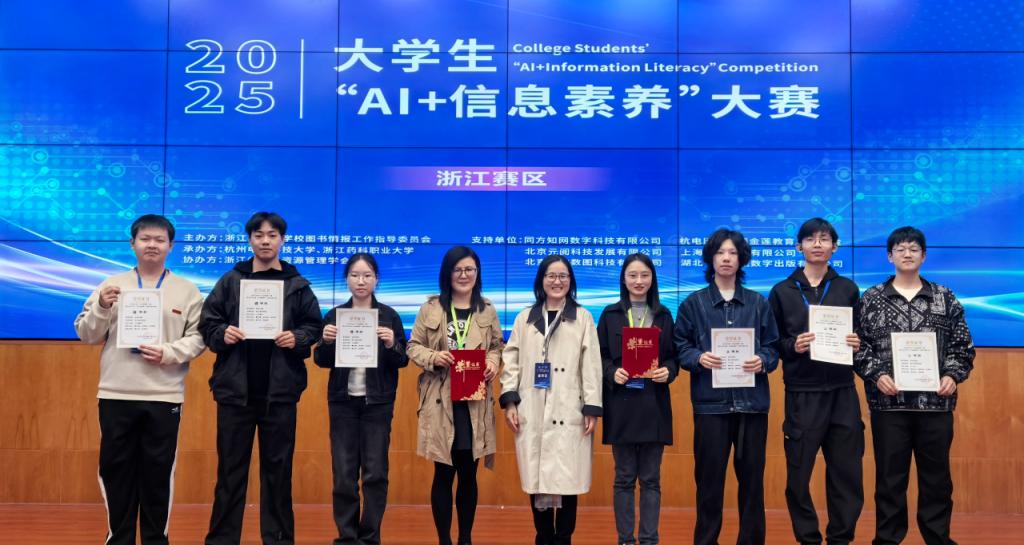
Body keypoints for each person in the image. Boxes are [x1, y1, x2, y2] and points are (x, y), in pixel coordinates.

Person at [74, 214, 205, 545]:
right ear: (132, 243)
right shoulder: (111, 285)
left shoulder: (187, 290)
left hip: (164, 395)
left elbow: (200, 338)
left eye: (160, 240)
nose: (152, 245)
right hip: (116, 393)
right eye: (145, 238)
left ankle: (155, 540)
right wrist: (101, 307)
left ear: (171, 246)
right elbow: (86, 334)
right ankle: (117, 538)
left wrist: (168, 352)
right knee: (115, 471)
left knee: (158, 474)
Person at [199, 211, 323, 545]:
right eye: (258, 235)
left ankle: (279, 539)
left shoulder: (297, 285)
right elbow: (208, 323)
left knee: (278, 474)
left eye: (272, 235)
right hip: (234, 392)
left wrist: (297, 338)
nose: (265, 241)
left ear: (282, 240)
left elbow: (314, 326)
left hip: (279, 395)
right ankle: (222, 541)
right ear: (250, 239)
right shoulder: (231, 280)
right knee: (230, 473)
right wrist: (222, 333)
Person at [855, 226, 975, 545]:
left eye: (913, 248)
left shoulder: (944, 297)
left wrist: (952, 375)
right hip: (888, 406)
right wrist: (876, 374)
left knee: (937, 481)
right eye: (900, 249)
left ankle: (937, 538)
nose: (907, 254)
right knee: (889, 480)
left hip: (935, 405)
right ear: (889, 256)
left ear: (923, 255)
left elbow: (962, 345)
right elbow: (858, 346)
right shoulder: (871, 299)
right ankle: (887, 539)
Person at [673, 228, 780, 545]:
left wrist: (762, 360)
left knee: (752, 484)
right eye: (720, 252)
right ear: (711, 258)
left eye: (733, 252)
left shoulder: (758, 303)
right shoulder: (693, 304)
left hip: (752, 406)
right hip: (711, 407)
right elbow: (680, 347)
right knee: (709, 483)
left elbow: (773, 347)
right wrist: (698, 357)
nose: (726, 258)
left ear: (741, 259)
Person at [768, 217, 864, 545]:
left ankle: (841, 538)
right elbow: (771, 343)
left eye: (824, 239)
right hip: (802, 393)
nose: (818, 244)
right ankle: (807, 538)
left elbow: (862, 337)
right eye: (810, 239)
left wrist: (856, 342)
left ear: (834, 247)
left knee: (847, 473)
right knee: (798, 475)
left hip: (842, 393)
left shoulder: (847, 289)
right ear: (799, 246)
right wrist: (792, 346)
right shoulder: (782, 291)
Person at [500, 255, 603, 545]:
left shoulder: (582, 317)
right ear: (541, 280)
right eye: (551, 276)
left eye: (563, 276)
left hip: (569, 409)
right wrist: (510, 402)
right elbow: (511, 362)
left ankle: (564, 538)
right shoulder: (525, 318)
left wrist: (591, 407)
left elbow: (591, 366)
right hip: (531, 408)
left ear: (571, 281)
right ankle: (543, 537)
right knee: (537, 478)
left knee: (568, 480)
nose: (557, 281)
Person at [406, 246, 503, 545]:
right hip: (441, 399)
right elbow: (413, 346)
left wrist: (493, 363)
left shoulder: (487, 309)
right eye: (457, 269)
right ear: (447, 273)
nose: (463, 275)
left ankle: (465, 539)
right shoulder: (431, 308)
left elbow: (497, 346)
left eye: (469, 269)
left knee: (469, 474)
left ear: (477, 273)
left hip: (474, 400)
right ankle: (444, 540)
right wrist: (434, 357)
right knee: (443, 472)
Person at [314, 253, 408, 545]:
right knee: (344, 473)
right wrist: (326, 342)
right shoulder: (334, 316)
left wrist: (391, 344)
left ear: (376, 279)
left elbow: (402, 360)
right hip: (342, 403)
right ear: (347, 279)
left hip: (377, 404)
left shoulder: (389, 316)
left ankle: (369, 537)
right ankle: (347, 536)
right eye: (355, 275)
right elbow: (320, 360)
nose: (361, 281)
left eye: (367, 275)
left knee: (375, 473)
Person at [597, 253, 678, 545]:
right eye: (632, 275)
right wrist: (611, 372)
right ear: (623, 279)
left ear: (652, 278)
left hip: (653, 405)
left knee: (651, 480)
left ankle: (649, 540)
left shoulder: (664, 315)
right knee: (624, 478)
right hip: (621, 405)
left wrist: (668, 371)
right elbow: (600, 356)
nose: (639, 281)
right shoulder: (610, 315)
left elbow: (673, 357)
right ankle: (625, 540)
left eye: (644, 275)